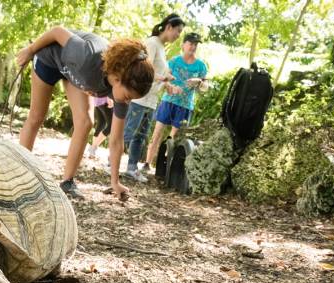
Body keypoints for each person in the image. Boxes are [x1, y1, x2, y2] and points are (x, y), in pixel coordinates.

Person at [16, 27, 155, 200]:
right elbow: (57, 32)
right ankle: (19, 171)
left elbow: (116, 140)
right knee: (37, 116)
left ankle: (67, 183)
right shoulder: (88, 56)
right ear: (118, 78)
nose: (127, 102)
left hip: (73, 73)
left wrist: (115, 181)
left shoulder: (120, 92)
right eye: (128, 97)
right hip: (49, 59)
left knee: (85, 122)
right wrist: (30, 50)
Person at [122, 13, 185, 182]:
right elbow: (144, 69)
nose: (178, 35)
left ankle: (132, 168)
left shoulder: (162, 48)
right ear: (169, 26)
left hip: (151, 100)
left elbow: (158, 75)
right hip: (139, 98)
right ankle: (110, 163)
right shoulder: (152, 43)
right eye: (177, 31)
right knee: (128, 133)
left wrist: (168, 86)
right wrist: (164, 79)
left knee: (141, 136)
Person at [144, 32, 208, 170]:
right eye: (190, 43)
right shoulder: (174, 61)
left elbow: (205, 88)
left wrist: (199, 82)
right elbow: (164, 79)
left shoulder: (201, 66)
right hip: (168, 102)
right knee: (157, 133)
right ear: (183, 45)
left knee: (174, 139)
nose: (193, 47)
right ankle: (147, 163)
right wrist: (170, 87)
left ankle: (165, 169)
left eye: (195, 44)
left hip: (185, 106)